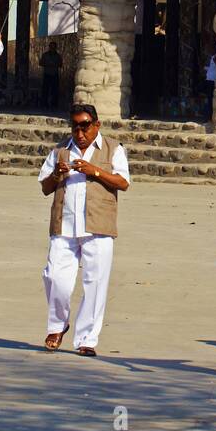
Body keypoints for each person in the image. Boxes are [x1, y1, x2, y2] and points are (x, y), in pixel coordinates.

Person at [38, 103, 131, 356]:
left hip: (98, 225)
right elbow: (45, 188)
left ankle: (86, 339)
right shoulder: (60, 151)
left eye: (85, 126)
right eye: (75, 127)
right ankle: (58, 325)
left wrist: (96, 171)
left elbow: (123, 182)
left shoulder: (114, 149)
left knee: (95, 283)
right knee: (54, 277)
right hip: (64, 225)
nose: (80, 133)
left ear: (96, 125)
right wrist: (57, 174)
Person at [40, 44, 62, 109]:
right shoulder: (45, 55)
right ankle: (44, 104)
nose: (52, 48)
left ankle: (54, 105)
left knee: (54, 90)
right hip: (47, 74)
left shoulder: (58, 56)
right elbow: (41, 63)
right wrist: (48, 64)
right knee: (45, 90)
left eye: (54, 47)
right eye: (51, 47)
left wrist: (54, 64)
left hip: (54, 74)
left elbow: (60, 64)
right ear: (49, 47)